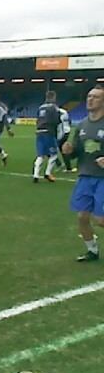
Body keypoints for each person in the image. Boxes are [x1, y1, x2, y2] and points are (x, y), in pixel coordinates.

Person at [62, 85, 104, 262]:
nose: (90, 99)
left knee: (100, 219)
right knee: (82, 217)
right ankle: (92, 251)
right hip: (85, 176)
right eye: (89, 96)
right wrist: (69, 151)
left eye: (95, 97)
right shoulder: (81, 125)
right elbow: (76, 153)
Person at [33, 91, 62, 183]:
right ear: (53, 97)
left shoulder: (41, 107)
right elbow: (57, 121)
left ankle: (36, 175)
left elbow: (37, 119)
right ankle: (47, 173)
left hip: (39, 132)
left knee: (40, 155)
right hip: (48, 132)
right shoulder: (54, 108)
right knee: (54, 154)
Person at [57, 106, 75, 172]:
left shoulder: (57, 112)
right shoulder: (65, 112)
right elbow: (70, 121)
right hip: (66, 131)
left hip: (61, 132)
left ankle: (62, 165)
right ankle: (67, 166)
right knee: (62, 148)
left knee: (50, 148)